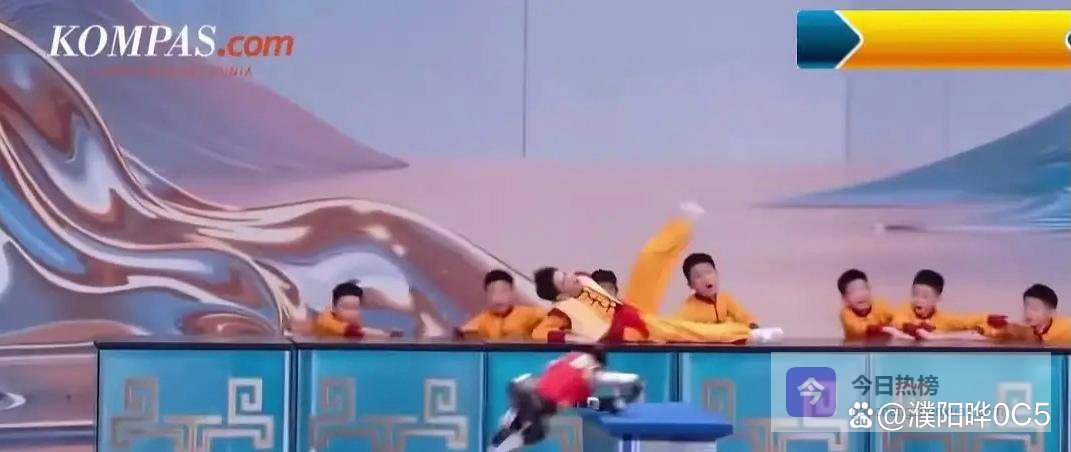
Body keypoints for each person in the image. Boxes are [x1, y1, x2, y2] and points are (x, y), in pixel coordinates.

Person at [530, 202, 783, 344]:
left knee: (647, 259)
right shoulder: (562, 311)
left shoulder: (582, 277)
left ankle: (684, 223)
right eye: (564, 280)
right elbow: (539, 333)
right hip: (632, 331)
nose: (570, 276)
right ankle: (750, 335)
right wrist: (576, 340)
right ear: (560, 295)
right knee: (689, 331)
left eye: (565, 273)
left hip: (631, 309)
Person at [489, 346, 643, 451]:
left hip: (520, 384)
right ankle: (506, 437)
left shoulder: (569, 358)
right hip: (536, 399)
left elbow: (551, 368)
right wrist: (632, 385)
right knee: (535, 433)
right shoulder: (592, 371)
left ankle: (509, 427)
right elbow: (615, 379)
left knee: (528, 424)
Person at [892, 270, 1005, 340]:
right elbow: (898, 320)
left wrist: (987, 318)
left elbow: (963, 320)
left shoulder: (942, 319)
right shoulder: (906, 309)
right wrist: (908, 326)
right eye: (914, 294)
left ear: (937, 298)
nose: (918, 300)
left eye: (924, 296)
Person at [455, 270, 546, 340]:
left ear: (512, 292)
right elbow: (462, 333)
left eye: (503, 291)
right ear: (486, 295)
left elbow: (550, 316)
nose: (498, 298)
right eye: (493, 292)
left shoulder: (527, 314)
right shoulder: (482, 320)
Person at [674, 253, 757, 328]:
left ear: (717, 273)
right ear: (690, 284)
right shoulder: (688, 307)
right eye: (698, 276)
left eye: (709, 272)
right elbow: (679, 327)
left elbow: (742, 315)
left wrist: (752, 324)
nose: (706, 279)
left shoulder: (726, 298)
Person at [836, 269, 911, 340]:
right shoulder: (846, 314)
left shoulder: (879, 305)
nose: (861, 294)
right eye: (853, 291)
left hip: (880, 347)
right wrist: (885, 329)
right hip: (855, 348)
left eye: (864, 288)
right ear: (844, 299)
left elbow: (897, 317)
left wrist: (904, 326)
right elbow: (858, 329)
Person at [313, 281, 402, 338]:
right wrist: (387, 335)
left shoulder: (356, 321)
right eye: (346, 307)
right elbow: (355, 331)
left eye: (355, 308)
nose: (351, 313)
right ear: (334, 307)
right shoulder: (325, 320)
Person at [988, 284, 1070, 344]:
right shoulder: (1024, 329)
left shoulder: (1067, 328)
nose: (1028, 313)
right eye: (1026, 307)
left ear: (1051, 313)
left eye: (1034, 309)